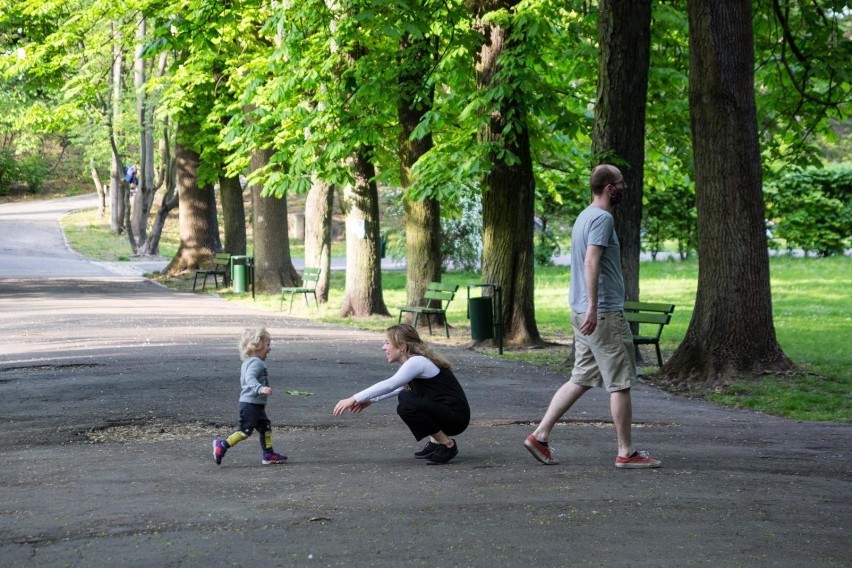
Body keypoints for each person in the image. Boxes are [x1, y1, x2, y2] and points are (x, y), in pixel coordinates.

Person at [524, 164, 661, 469]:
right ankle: (626, 452)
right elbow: (591, 261)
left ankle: (539, 435)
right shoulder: (601, 218)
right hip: (603, 315)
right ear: (609, 188)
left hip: (584, 312)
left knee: (581, 377)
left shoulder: (585, 215)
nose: (624, 188)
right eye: (621, 183)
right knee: (621, 381)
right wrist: (594, 308)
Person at [333, 324, 470, 465]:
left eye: (387, 343)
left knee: (407, 405)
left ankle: (447, 445)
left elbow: (390, 384)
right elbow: (399, 387)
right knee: (405, 396)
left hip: (456, 418)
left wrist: (353, 398)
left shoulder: (417, 362)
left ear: (402, 346)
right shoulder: (417, 360)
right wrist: (371, 399)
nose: (383, 347)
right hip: (449, 414)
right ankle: (435, 442)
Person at [213, 328, 287, 466]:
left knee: (265, 427)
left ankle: (268, 454)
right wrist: (260, 388)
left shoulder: (248, 362)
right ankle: (221, 445)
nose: (270, 348)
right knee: (244, 432)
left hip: (255, 404)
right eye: (267, 344)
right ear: (257, 345)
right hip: (250, 405)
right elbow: (250, 378)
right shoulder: (256, 363)